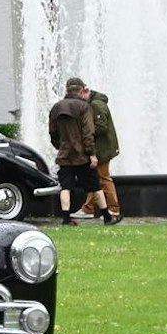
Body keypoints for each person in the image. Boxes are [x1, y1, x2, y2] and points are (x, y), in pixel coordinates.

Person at [48, 77, 100, 227]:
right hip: (82, 155)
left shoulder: (56, 107)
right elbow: (88, 133)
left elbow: (52, 132)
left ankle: (66, 217)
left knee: (65, 187)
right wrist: (91, 153)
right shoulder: (84, 107)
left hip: (65, 154)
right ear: (81, 90)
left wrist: (60, 146)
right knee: (95, 185)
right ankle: (106, 214)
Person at [84, 85, 124, 226]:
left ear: (85, 91)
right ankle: (88, 208)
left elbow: (102, 126)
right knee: (96, 177)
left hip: (102, 148)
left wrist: (86, 131)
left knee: (103, 178)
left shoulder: (96, 104)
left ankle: (114, 208)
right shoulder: (96, 103)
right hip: (103, 147)